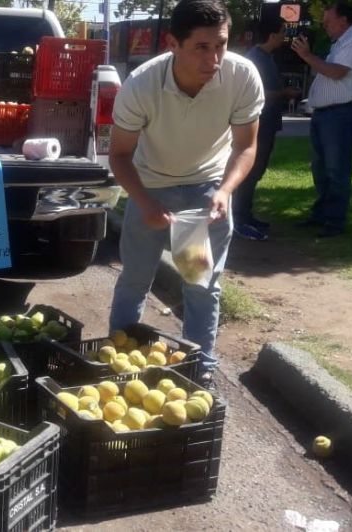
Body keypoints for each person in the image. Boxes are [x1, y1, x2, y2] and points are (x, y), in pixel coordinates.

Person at [108, 0, 264, 388]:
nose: (213, 59)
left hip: (205, 192)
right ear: (172, 43)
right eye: (201, 47)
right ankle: (118, 359)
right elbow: (120, 155)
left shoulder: (242, 76)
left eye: (221, 45)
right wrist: (145, 203)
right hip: (150, 185)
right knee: (135, 279)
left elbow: (246, 145)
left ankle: (199, 368)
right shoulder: (142, 85)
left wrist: (226, 191)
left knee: (201, 284)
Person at [291, 2, 352, 237]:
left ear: (344, 20)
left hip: (340, 114)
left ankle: (335, 220)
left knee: (336, 169)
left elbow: (337, 72)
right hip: (326, 114)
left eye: (328, 21)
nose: (324, 26)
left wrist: (307, 56)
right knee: (321, 168)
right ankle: (322, 214)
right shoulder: (342, 42)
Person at [233, 16, 301, 241]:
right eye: (282, 32)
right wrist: (284, 94)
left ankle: (245, 215)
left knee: (257, 171)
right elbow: (255, 93)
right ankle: (237, 219)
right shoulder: (255, 59)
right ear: (272, 35)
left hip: (268, 124)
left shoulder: (266, 57)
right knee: (249, 171)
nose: (284, 36)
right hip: (257, 126)